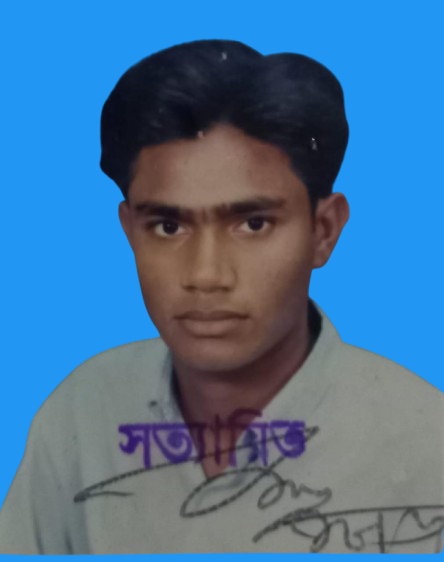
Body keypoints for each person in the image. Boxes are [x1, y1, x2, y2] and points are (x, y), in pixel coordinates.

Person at [0, 39, 443, 555]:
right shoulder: (82, 411)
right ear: (129, 230)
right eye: (168, 226)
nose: (206, 275)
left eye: (253, 224)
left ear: (323, 231)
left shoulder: (426, 442)